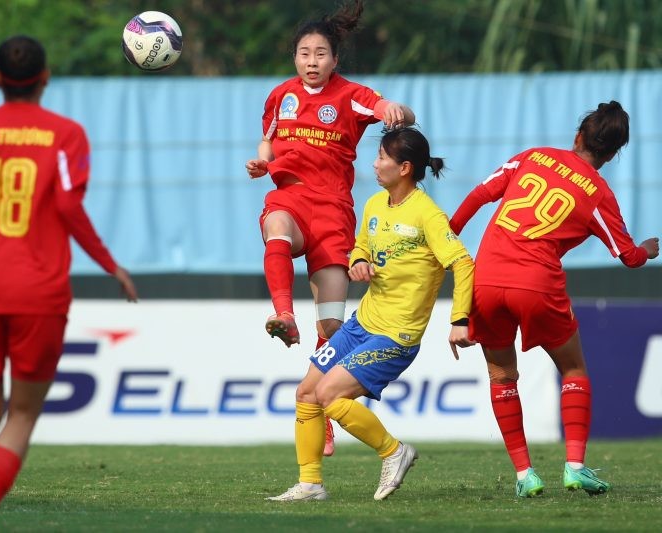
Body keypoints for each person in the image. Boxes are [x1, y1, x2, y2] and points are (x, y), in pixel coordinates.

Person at [0, 35, 138, 532]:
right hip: (37, 292)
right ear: (45, 77)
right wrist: (110, 265)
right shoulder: (65, 135)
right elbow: (67, 205)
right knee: (20, 415)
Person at [449, 100, 660, 498]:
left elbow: (480, 194)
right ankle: (575, 467)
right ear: (612, 154)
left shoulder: (534, 157)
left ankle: (524, 474)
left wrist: (451, 232)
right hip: (536, 283)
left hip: (487, 277)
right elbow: (628, 256)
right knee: (574, 369)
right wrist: (647, 250)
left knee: (501, 376)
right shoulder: (598, 193)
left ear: (578, 136)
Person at [267, 127, 475, 502]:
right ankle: (310, 485)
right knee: (307, 392)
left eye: (382, 157)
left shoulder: (427, 214)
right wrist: (359, 261)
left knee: (330, 395)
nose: (375, 164)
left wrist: (459, 320)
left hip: (396, 336)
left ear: (405, 167)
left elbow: (462, 263)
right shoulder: (376, 204)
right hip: (361, 325)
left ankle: (394, 452)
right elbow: (360, 246)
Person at [244, 0, 415, 456]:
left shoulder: (350, 95)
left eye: (320, 54)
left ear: (334, 59)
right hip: (292, 195)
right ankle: (284, 315)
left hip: (334, 212)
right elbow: (268, 139)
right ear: (294, 57)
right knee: (277, 225)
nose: (312, 61)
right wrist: (263, 160)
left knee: (333, 324)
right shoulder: (281, 95)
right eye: (304, 53)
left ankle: (322, 413)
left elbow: (392, 110)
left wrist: (395, 109)